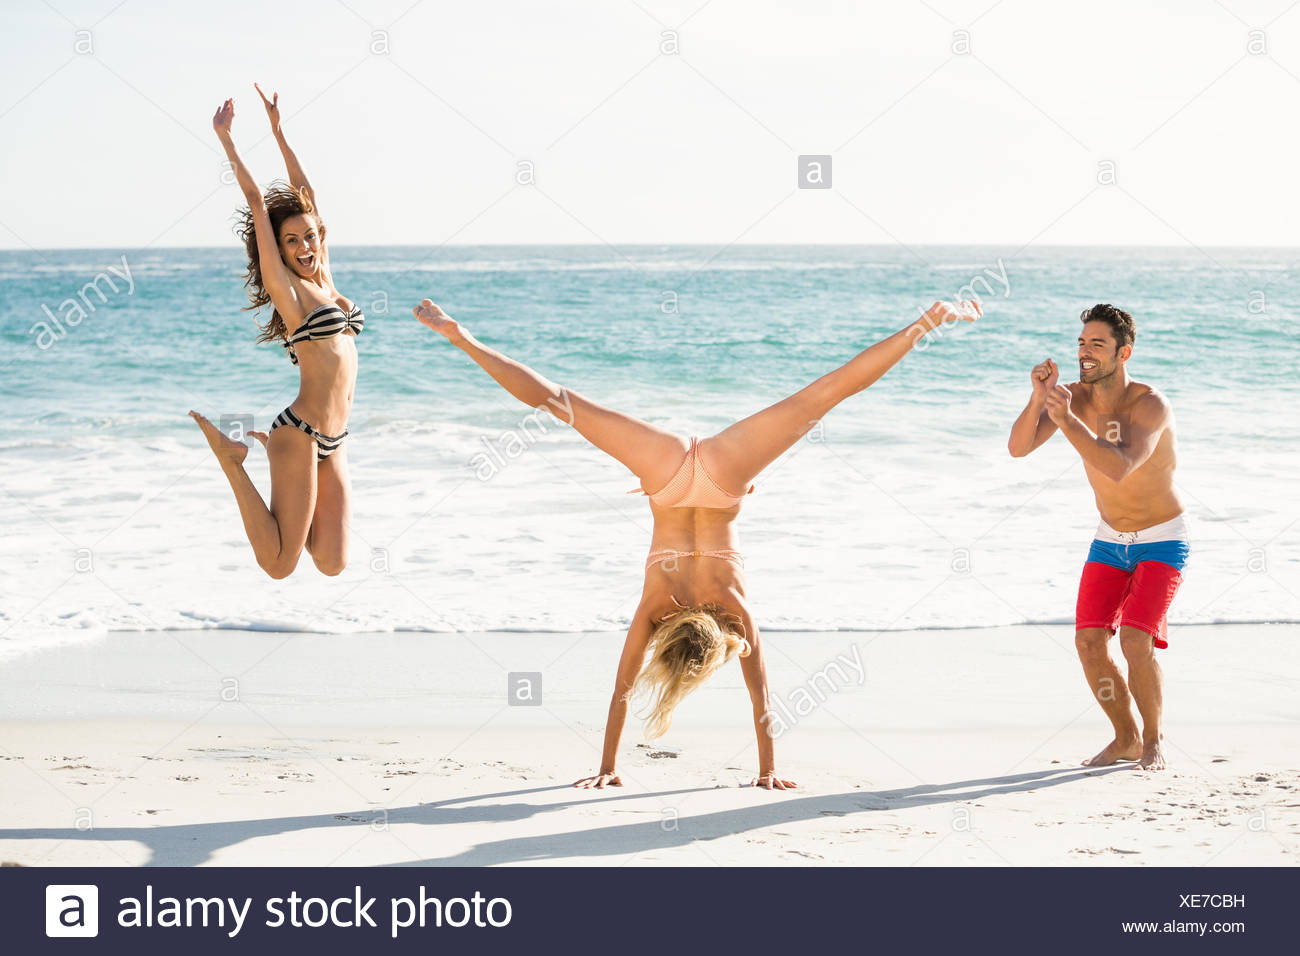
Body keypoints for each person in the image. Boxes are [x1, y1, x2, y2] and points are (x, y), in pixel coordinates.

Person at [415, 297, 981, 789]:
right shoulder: (655, 608)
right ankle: (460, 336)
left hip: (722, 475)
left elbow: (763, 699)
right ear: (672, 646)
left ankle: (924, 324)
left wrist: (767, 768)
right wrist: (608, 762)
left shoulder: (734, 609)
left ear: (715, 646)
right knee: (558, 402)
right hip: (664, 475)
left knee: (821, 398)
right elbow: (620, 689)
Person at [190, 85, 362, 579]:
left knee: (331, 562)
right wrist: (227, 140)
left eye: (310, 236)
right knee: (280, 564)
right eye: (292, 241)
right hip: (302, 433)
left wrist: (279, 132)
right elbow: (254, 200)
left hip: (335, 439)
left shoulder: (324, 276)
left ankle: (286, 480)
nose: (305, 246)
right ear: (280, 252)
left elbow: (306, 195)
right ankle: (233, 460)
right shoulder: (289, 290)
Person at [1008, 304, 1184, 770]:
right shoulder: (1072, 398)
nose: (1085, 352)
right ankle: (1124, 738)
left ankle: (1152, 741)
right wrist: (1038, 398)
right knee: (1088, 642)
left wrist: (1067, 420)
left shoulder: (1150, 404)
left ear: (1123, 352)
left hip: (1162, 539)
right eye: (1082, 342)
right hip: (1110, 539)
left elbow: (1121, 466)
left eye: (1097, 345)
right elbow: (1018, 448)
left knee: (1134, 641)